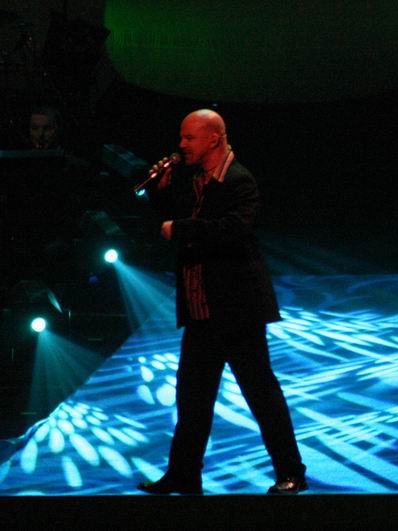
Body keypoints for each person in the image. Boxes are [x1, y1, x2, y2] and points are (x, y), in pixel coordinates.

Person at [136, 109, 307, 495]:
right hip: (201, 311)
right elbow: (170, 222)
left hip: (237, 311)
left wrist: (181, 227)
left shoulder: (239, 180)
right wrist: (159, 190)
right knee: (192, 400)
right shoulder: (193, 178)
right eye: (182, 137)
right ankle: (183, 474)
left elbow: (234, 229)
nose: (181, 145)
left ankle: (292, 472)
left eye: (189, 138)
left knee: (261, 395)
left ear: (213, 138)